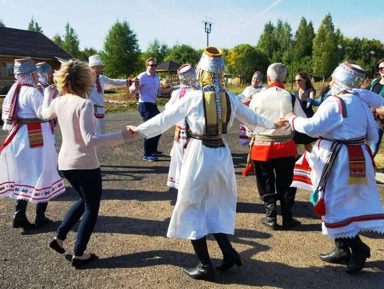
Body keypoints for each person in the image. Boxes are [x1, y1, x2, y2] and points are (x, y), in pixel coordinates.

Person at [130, 47, 284, 282]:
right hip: (221, 154)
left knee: (192, 205)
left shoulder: (193, 97)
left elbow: (165, 119)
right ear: (221, 74)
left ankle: (205, 265)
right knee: (215, 203)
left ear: (202, 73)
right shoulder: (230, 97)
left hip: (199, 152)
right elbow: (254, 120)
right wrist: (275, 124)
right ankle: (229, 252)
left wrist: (138, 129)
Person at [286, 61, 384, 275]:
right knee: (345, 200)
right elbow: (373, 135)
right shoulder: (359, 100)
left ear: (340, 81)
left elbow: (312, 128)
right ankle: (341, 248)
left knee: (332, 203)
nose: (330, 82)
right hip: (358, 156)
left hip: (338, 160)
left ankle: (359, 249)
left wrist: (292, 120)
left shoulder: (335, 102)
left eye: (332, 79)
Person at [41, 59, 133, 268]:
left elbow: (44, 114)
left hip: (64, 162)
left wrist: (48, 95)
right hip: (84, 162)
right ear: (84, 79)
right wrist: (122, 135)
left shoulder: (59, 101)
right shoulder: (85, 104)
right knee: (92, 206)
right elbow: (90, 138)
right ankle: (79, 253)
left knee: (83, 200)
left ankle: (60, 238)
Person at [0, 58, 65, 230]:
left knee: (26, 174)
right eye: (35, 73)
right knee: (44, 170)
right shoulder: (32, 92)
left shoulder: (15, 89)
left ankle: (19, 213)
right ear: (30, 74)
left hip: (20, 134)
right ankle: (40, 217)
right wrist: (51, 97)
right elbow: (45, 114)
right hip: (36, 135)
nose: (38, 76)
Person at [247, 63, 306, 231]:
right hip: (286, 145)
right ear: (285, 78)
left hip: (261, 145)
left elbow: (250, 122)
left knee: (265, 179)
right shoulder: (290, 97)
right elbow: (301, 120)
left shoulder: (257, 97)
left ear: (267, 78)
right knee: (286, 181)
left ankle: (270, 216)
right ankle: (287, 217)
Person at [129, 57, 174, 161]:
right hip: (145, 105)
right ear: (147, 66)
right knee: (150, 128)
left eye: (155, 65)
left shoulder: (156, 77)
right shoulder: (142, 76)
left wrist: (168, 90)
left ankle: (153, 150)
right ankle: (147, 154)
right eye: (151, 65)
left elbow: (158, 91)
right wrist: (135, 86)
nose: (153, 67)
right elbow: (132, 90)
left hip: (153, 105)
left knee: (160, 125)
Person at [164, 64, 199, 189]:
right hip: (189, 134)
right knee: (191, 162)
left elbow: (168, 110)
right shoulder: (197, 93)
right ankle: (189, 187)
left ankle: (183, 187)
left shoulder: (179, 93)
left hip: (183, 133)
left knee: (183, 161)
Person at [88, 54, 129, 135]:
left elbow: (114, 81)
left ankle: (99, 147)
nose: (100, 70)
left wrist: (128, 81)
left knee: (101, 133)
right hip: (91, 110)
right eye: (98, 67)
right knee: (93, 134)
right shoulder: (86, 80)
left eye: (101, 67)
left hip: (101, 110)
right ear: (92, 68)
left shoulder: (102, 78)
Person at [238, 71, 267, 146]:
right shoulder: (248, 89)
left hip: (258, 116)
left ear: (260, 80)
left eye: (257, 79)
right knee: (248, 138)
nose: (255, 80)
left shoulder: (264, 90)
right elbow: (241, 98)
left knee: (257, 138)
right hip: (248, 116)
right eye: (254, 78)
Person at [293, 71, 317, 152]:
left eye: (299, 80)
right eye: (295, 80)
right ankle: (295, 161)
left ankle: (310, 161)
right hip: (298, 119)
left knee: (307, 143)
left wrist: (306, 98)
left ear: (305, 80)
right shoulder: (295, 93)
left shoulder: (310, 91)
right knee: (294, 142)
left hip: (307, 119)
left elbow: (312, 102)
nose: (297, 82)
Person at [368, 58, 384, 157]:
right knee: (371, 150)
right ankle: (366, 169)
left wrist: (374, 110)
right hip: (375, 121)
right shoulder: (375, 83)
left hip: (377, 116)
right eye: (381, 68)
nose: (383, 70)